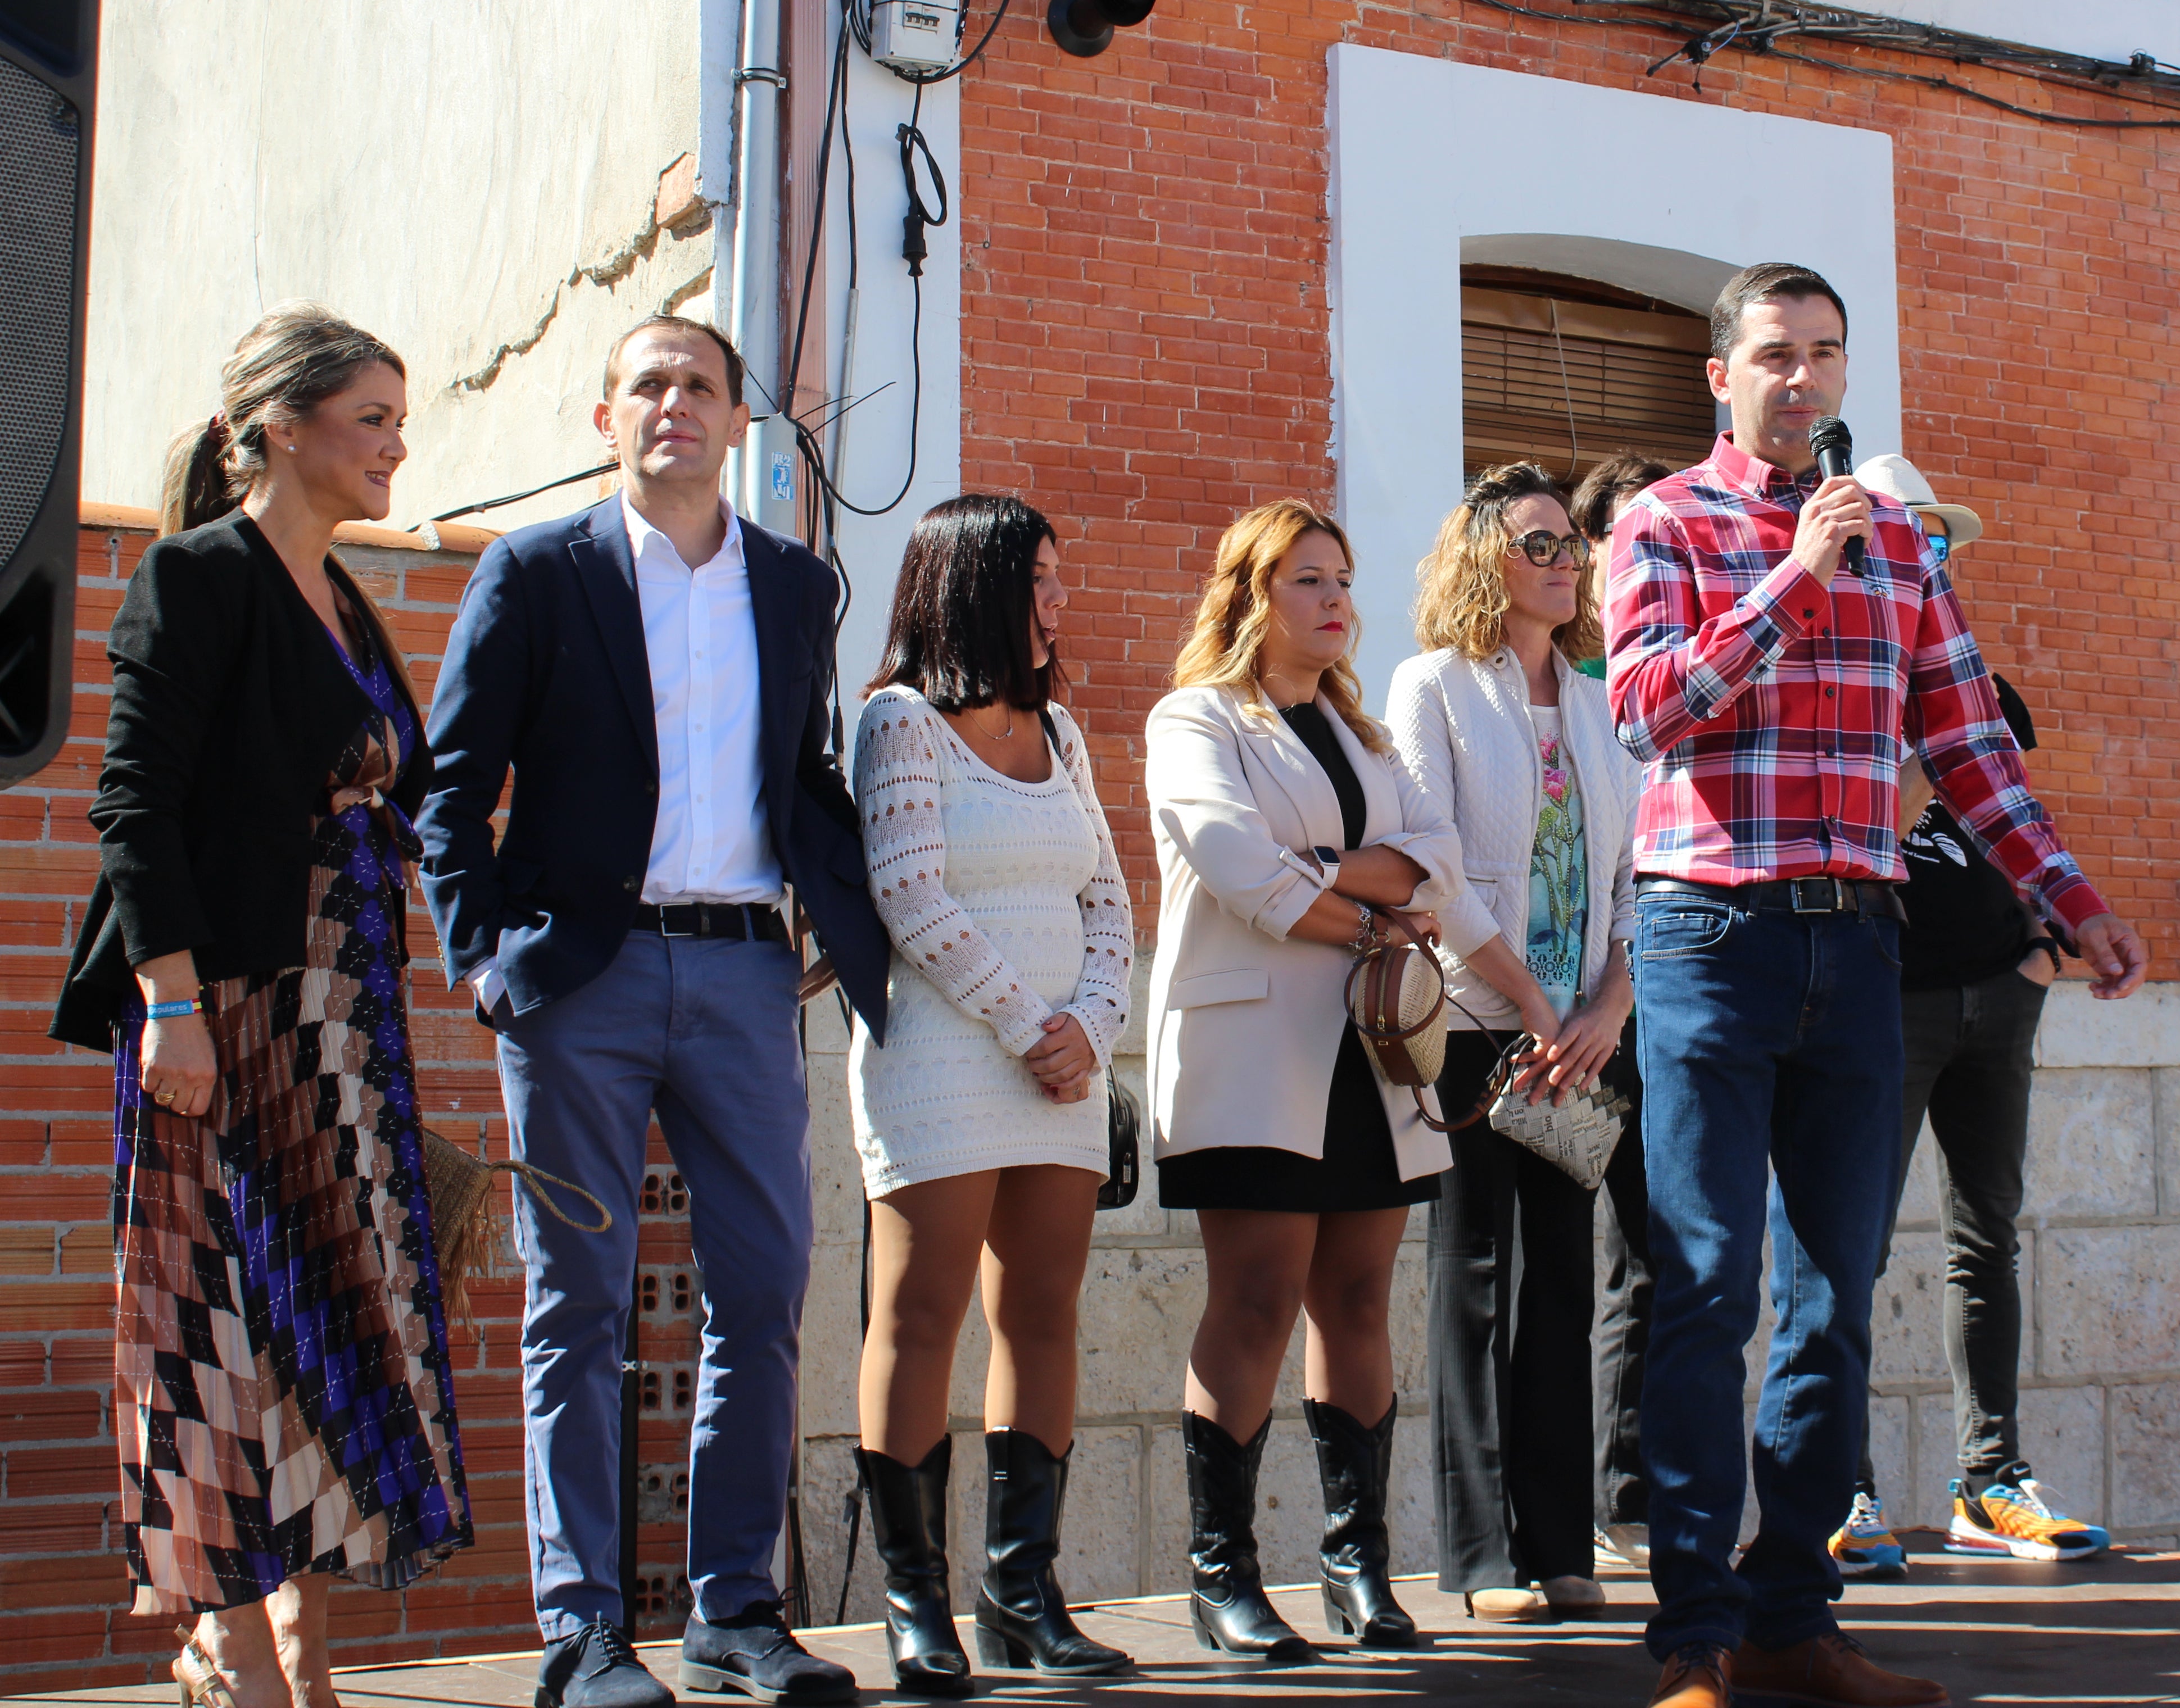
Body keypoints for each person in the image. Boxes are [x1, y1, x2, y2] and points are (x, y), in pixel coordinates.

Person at [1605, 264, 2151, 1708]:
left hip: (1862, 946)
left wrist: (2073, 901)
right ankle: (1694, 1641)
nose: (1803, 380)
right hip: (1709, 937)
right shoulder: (1661, 522)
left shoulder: (1905, 550)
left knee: (1835, 1296)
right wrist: (1795, 578)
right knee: (1711, 1284)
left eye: (1826, 356)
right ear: (1720, 374)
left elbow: (1974, 753)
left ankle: (1794, 1622)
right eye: (1776, 355)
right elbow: (1650, 713)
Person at [416, 316, 891, 1708]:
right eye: (648, 385)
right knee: (580, 1302)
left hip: (745, 973)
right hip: (583, 978)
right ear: (605, 417)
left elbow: (800, 772)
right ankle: (583, 1631)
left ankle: (736, 1613)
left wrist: (835, 911)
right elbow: (453, 789)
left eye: (700, 385)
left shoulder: (797, 585)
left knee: (763, 1289)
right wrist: (486, 961)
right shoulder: (537, 572)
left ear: (740, 422)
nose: (674, 403)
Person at [52, 308, 470, 1708]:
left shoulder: (347, 601)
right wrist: (170, 1006)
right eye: (373, 420)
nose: (397, 447)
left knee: (333, 1312)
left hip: (344, 1019)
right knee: (210, 1318)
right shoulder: (197, 577)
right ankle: (222, 1640)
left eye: (399, 422)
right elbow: (133, 803)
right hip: (222, 1005)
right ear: (281, 429)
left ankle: (307, 1633)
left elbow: (387, 798)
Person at [1143, 500, 1466, 1663]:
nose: (1336, 600)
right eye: (1307, 581)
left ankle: (1357, 1568)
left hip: (1370, 1060)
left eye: (1342, 579)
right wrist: (1367, 911)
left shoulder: (1369, 736)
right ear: (1251, 597)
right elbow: (1230, 859)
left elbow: (1439, 857)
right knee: (1257, 1298)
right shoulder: (1197, 719)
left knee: (1362, 1303)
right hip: (1249, 1054)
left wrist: (1332, 879)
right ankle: (1221, 1577)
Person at [844, 494, 1135, 1689]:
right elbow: (911, 897)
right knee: (920, 1319)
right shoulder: (897, 722)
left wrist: (1092, 1028)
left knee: (1045, 1317)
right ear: (971, 589)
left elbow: (1110, 901)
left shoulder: (1063, 734)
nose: (1060, 605)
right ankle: (918, 1608)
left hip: (1060, 1065)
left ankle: (1024, 1593)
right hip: (944, 1055)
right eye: (1041, 582)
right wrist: (1030, 1023)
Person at [1824, 454, 2110, 1580]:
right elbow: (1880, 810)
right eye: (1908, 537)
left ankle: (1990, 1484)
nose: (1928, 558)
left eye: (1940, 542)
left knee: (1987, 1239)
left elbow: (2017, 820)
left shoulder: (1982, 686)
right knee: (1841, 1248)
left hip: (2001, 991)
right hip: (1881, 999)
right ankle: (1835, 1491)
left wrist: (2043, 944)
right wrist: (1932, 743)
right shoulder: (1833, 679)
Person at [1386, 462, 1640, 1625]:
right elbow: (1429, 861)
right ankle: (1482, 1555)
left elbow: (1642, 875)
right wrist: (1534, 1009)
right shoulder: (1433, 686)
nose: (1564, 562)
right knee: (1474, 1281)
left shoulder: (1602, 703)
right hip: (1483, 1027)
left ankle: (1562, 1545)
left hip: (1582, 1038)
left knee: (1564, 1292)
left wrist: (1605, 1012)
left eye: (1568, 547)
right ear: (1484, 557)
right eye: (1539, 544)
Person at [1563, 449, 1675, 1572]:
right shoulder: (1560, 691)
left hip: (1666, 1002)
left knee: (1656, 1257)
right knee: (1557, 1265)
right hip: (1555, 1015)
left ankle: (1631, 1499)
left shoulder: (1683, 675)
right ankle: (1560, 1508)